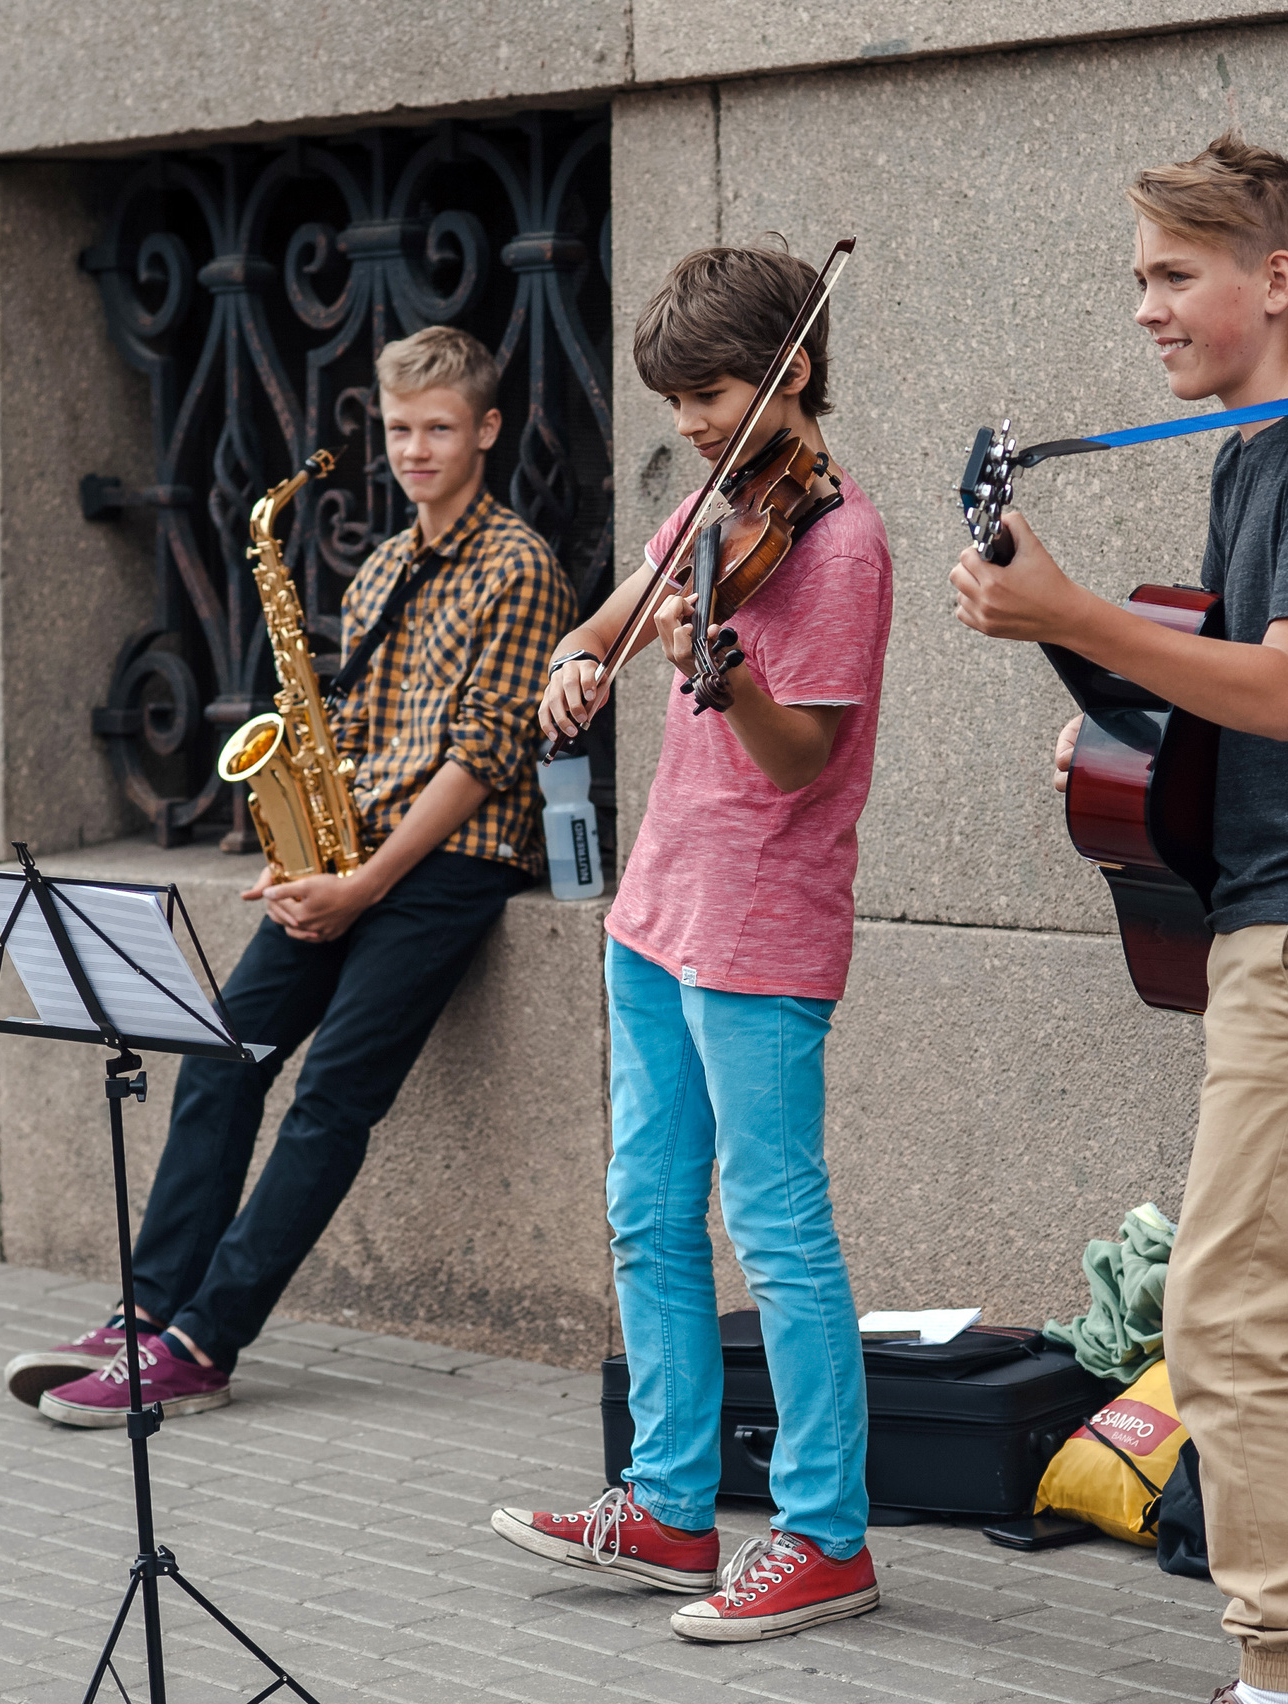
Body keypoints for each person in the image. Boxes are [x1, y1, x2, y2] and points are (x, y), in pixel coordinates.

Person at [949, 134, 1288, 1704]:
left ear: (1277, 279)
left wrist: (1075, 615)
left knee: (1231, 1320)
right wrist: (1112, 713)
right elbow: (1238, 701)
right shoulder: (1259, 458)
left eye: (1175, 277)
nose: (1149, 312)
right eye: (1141, 281)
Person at [5, 325, 575, 1426]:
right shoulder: (378, 575)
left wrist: (363, 888)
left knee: (328, 1102)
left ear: (486, 430)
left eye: (440, 428)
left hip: (448, 864)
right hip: (346, 859)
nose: (415, 449)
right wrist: (295, 862)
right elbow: (344, 737)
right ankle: (147, 1308)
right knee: (220, 1060)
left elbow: (483, 757)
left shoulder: (519, 567)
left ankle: (202, 1344)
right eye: (400, 428)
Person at [488, 243, 893, 1644]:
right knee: (647, 1214)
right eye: (675, 401)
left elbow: (798, 760)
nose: (693, 424)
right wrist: (578, 662)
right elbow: (609, 618)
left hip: (764, 930)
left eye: (712, 393)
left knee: (777, 1234)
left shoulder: (838, 544)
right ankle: (665, 1507)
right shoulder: (718, 504)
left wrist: (718, 675)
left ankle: (826, 1537)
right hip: (656, 910)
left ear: (789, 368)